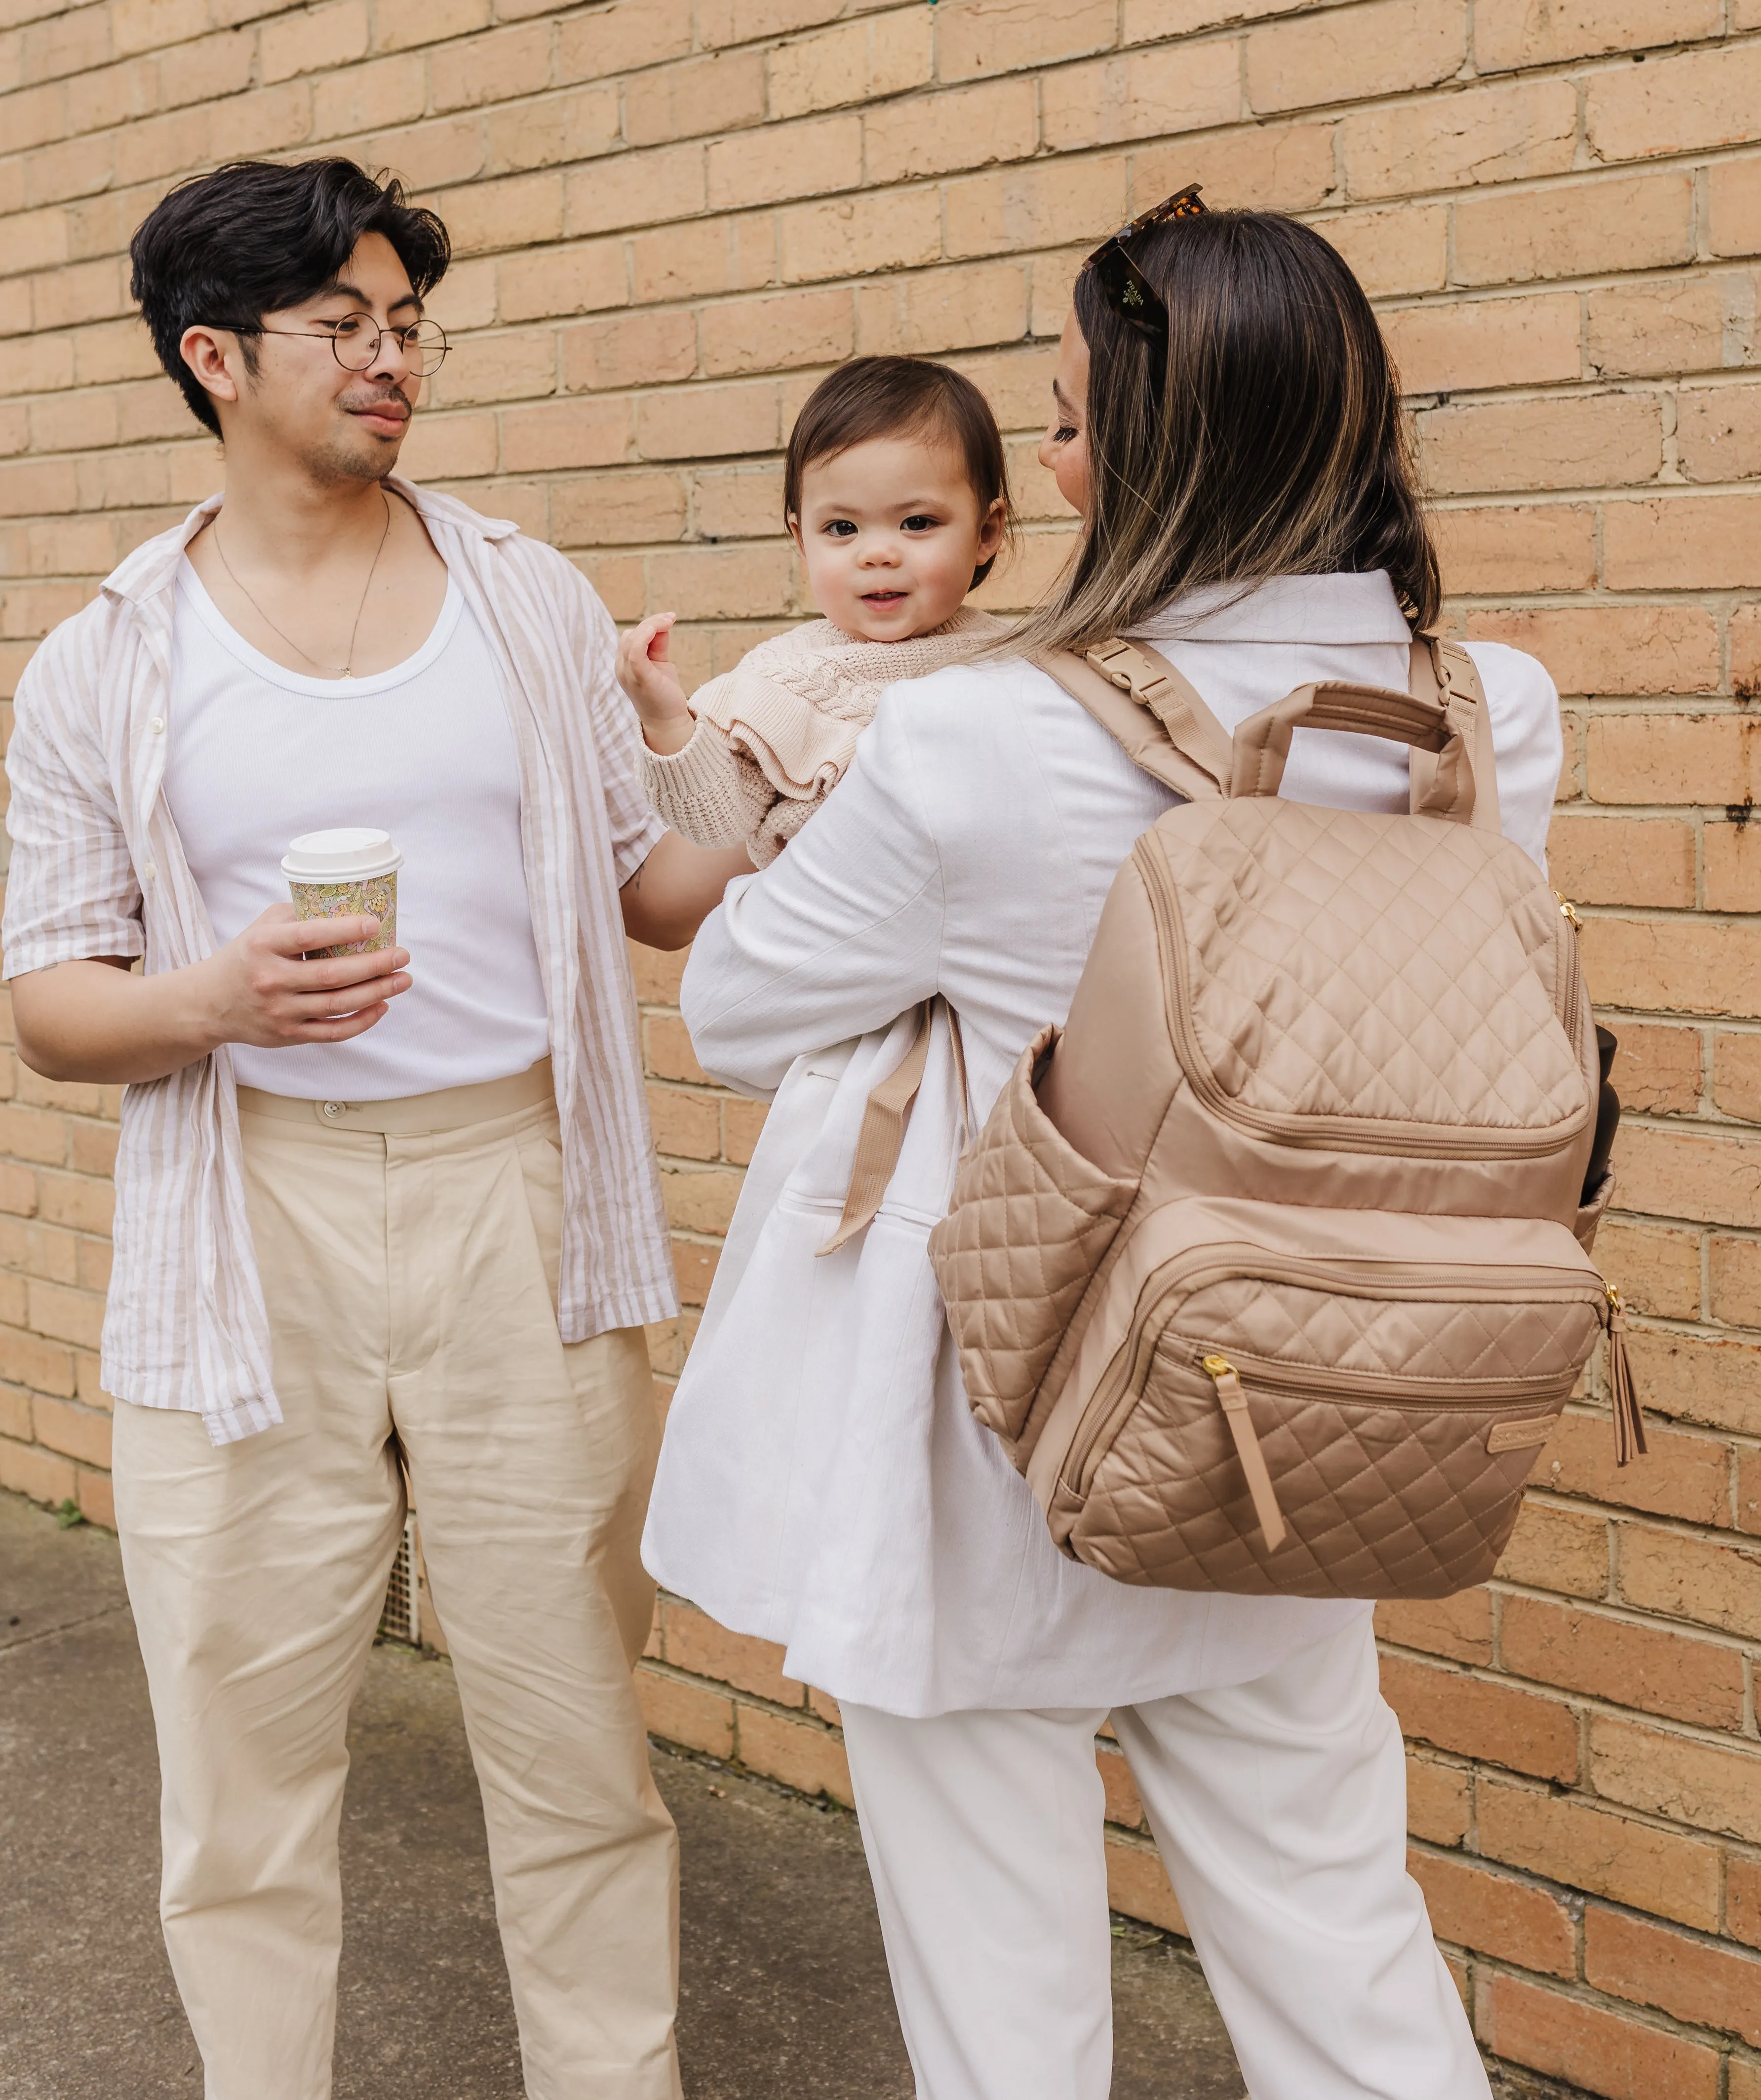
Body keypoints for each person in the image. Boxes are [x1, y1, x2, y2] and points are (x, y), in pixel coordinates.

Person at [658, 198, 1557, 2100]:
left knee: (1010, 2015)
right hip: (1302, 1400)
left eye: (1068, 419)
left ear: (1155, 443)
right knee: (1342, 1939)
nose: (1050, 459)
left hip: (996, 1406)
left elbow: (731, 1004)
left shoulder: (978, 736)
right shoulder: (1485, 719)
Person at [2, 157, 741, 2100]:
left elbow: (662, 898)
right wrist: (213, 1000)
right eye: (350, 323)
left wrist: (680, 741)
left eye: (410, 321)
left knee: (577, 1737)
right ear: (214, 354)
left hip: (518, 1187)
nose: (395, 356)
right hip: (251, 1212)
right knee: (238, 1764)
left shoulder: (524, 594)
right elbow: (52, 1001)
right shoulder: (108, 658)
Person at [616, 355, 1009, 867]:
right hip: (828, 931)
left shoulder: (1017, 661)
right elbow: (716, 821)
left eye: (916, 522)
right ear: (802, 538)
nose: (878, 554)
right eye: (843, 529)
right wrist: (665, 719)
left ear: (986, 532)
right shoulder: (786, 678)